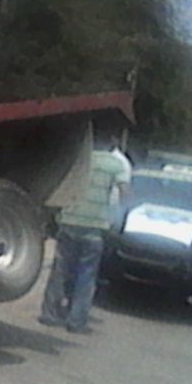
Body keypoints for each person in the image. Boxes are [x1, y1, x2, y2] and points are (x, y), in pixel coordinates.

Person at [38, 131, 131, 334]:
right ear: (112, 140)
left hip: (69, 220)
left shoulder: (80, 159)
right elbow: (124, 193)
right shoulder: (116, 164)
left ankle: (50, 313)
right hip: (95, 227)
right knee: (86, 275)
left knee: (60, 270)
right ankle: (76, 321)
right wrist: (117, 219)